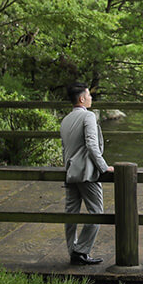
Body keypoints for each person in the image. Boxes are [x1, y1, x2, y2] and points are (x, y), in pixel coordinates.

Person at [60, 82, 113, 266]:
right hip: (87, 172)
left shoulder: (66, 119)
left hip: (70, 171)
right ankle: (81, 251)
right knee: (96, 212)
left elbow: (65, 149)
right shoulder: (88, 116)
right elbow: (92, 144)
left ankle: (72, 250)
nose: (91, 98)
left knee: (71, 213)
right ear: (82, 98)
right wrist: (104, 167)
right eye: (89, 95)